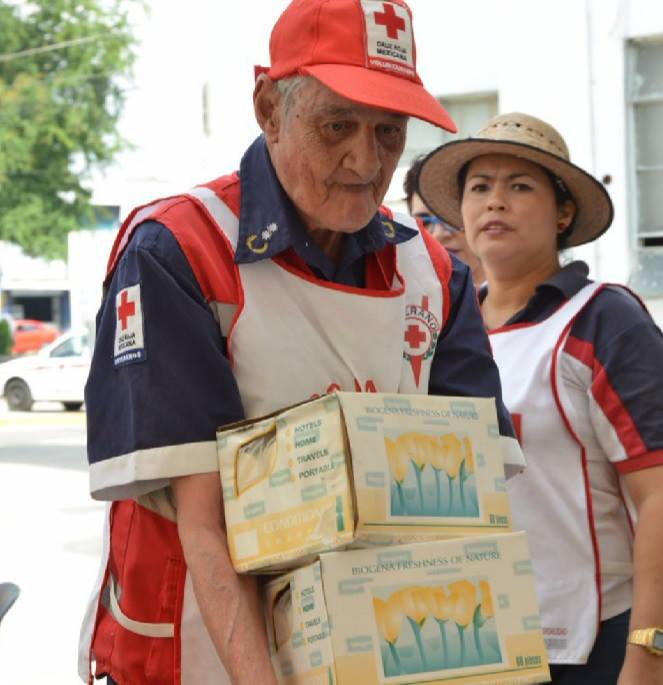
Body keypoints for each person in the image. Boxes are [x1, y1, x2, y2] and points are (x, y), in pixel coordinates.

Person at [78, 3, 523, 684]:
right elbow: (204, 523)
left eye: (389, 130)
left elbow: (467, 504)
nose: (364, 160)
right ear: (267, 108)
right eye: (336, 125)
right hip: (193, 650)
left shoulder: (433, 273)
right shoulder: (181, 250)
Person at [417, 112, 663, 685]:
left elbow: (658, 495)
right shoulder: (441, 329)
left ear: (564, 213)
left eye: (519, 186)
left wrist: (648, 656)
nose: (494, 202)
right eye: (479, 188)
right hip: (473, 641)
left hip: (594, 643)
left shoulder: (605, 319)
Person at [403, 154, 485, 285]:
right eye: (424, 222)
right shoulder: (402, 297)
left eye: (450, 216)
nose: (439, 234)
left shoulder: (524, 300)